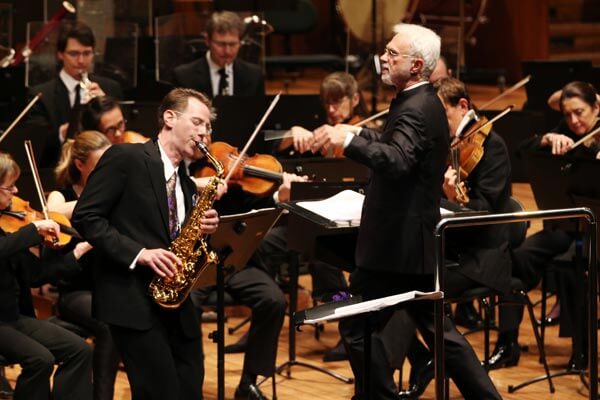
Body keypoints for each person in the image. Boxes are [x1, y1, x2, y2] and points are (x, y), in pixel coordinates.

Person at [310, 24, 501, 399]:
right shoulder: (419, 100)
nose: (382, 57)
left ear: (416, 66)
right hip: (407, 245)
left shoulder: (415, 107)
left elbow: (396, 160)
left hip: (395, 249)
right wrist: (358, 135)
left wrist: (347, 139)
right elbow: (395, 146)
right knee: (437, 332)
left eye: (391, 53)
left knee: (356, 328)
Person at [72, 88, 220, 400]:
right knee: (158, 392)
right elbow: (87, 217)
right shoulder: (127, 157)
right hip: (133, 300)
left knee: (191, 387)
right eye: (197, 122)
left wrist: (204, 229)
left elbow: (175, 236)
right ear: (169, 117)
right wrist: (139, 253)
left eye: (208, 127)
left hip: (176, 302)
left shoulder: (186, 182)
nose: (204, 133)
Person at [399, 77, 513, 397]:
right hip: (450, 251)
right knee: (393, 281)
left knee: (412, 290)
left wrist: (452, 198)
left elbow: (486, 212)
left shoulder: (492, 146)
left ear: (463, 106)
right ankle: (427, 359)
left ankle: (438, 362)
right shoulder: (448, 144)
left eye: (441, 115)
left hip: (481, 258)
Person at [495, 81, 600, 371]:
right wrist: (545, 139)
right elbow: (522, 149)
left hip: (597, 232)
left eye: (580, 113)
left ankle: (582, 351)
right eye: (568, 116)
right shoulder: (566, 130)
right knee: (515, 259)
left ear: (596, 108)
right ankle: (507, 344)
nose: (574, 121)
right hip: (567, 228)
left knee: (573, 265)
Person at [0, 151, 93, 400]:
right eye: (9, 187)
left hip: (12, 318)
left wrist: (77, 254)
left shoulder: (9, 225)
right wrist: (32, 230)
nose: (16, 191)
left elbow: (35, 276)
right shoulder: (14, 233)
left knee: (79, 350)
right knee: (40, 360)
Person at [47, 131, 118, 400]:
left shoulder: (113, 190)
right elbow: (50, 212)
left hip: (109, 283)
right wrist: (97, 200)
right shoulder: (61, 193)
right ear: (80, 164)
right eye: (100, 164)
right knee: (109, 323)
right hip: (75, 291)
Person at [26, 21, 122, 167]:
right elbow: (36, 145)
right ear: (60, 54)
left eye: (87, 53)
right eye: (74, 54)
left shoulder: (111, 88)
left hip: (107, 168)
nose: (81, 61)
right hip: (59, 172)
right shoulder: (41, 95)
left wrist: (105, 104)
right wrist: (61, 133)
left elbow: (121, 136)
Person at [173, 11, 264, 98]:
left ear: (240, 42)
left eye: (232, 44)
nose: (227, 51)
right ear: (207, 41)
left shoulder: (254, 75)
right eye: (221, 44)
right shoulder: (184, 76)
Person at [277, 71, 367, 156]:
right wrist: (292, 134)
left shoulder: (366, 136)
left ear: (355, 99)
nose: (330, 109)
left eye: (337, 101)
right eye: (327, 102)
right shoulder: (321, 127)